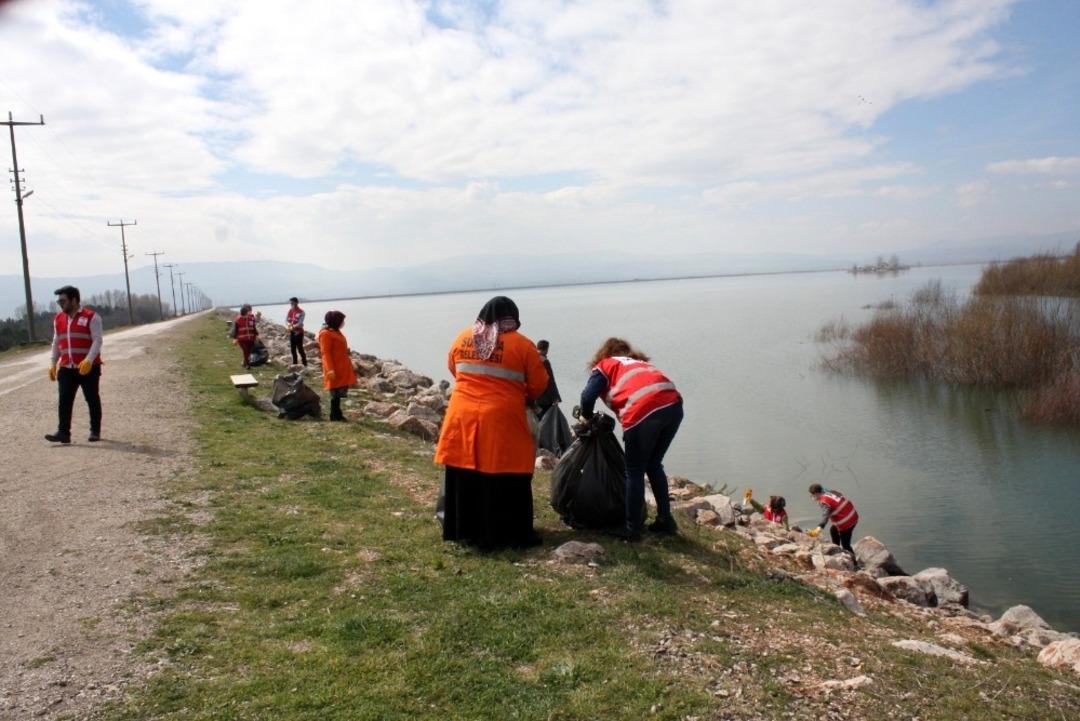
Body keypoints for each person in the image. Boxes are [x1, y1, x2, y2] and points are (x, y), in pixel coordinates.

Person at [434, 296, 549, 549]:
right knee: (505, 474)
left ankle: (464, 530)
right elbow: (539, 384)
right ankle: (506, 534)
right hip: (502, 418)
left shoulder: (463, 337)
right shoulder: (522, 344)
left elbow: (453, 368)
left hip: (461, 414)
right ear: (513, 317)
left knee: (465, 474)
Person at [579, 337, 683, 541]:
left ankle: (632, 528)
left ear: (604, 353)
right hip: (674, 406)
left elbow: (587, 396)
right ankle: (665, 520)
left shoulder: (605, 365)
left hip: (643, 411)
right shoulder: (641, 363)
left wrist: (587, 416)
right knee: (653, 464)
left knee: (634, 471)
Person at [45, 285, 103, 444]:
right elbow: (56, 342)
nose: (60, 304)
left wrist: (89, 360)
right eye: (59, 301)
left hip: (87, 368)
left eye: (63, 301)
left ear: (74, 300)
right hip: (66, 368)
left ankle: (95, 431)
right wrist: (52, 363)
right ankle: (63, 433)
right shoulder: (58, 319)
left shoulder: (92, 317)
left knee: (91, 398)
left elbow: (97, 340)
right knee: (64, 400)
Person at [318, 310, 357, 422]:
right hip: (334, 368)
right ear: (335, 321)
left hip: (341, 366)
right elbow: (325, 353)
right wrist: (330, 369)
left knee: (339, 391)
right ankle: (334, 415)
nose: (343, 323)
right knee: (334, 392)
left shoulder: (335, 331)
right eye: (341, 321)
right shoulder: (326, 334)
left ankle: (337, 414)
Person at [807, 483, 859, 557]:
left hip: (846, 523)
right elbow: (839, 494)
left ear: (817, 493)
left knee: (845, 545)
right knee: (833, 530)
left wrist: (819, 528)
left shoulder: (823, 501)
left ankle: (854, 563)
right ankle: (836, 548)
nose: (812, 497)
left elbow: (825, 515)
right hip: (853, 516)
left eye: (813, 495)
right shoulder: (829, 492)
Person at [534, 339, 561, 417]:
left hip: (533, 397)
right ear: (546, 349)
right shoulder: (545, 361)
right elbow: (550, 381)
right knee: (545, 421)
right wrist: (555, 398)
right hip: (544, 399)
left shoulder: (531, 358)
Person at [231, 304, 259, 368]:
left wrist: (257, 335)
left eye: (250, 311)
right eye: (248, 311)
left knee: (248, 352)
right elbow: (236, 329)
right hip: (242, 339)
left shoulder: (251, 318)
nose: (249, 312)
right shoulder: (238, 319)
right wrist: (235, 339)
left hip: (250, 338)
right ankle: (247, 365)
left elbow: (254, 327)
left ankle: (244, 363)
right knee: (245, 351)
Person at [286, 297, 308, 367]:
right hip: (292, 332)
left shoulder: (302, 312)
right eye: (290, 303)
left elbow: (300, 323)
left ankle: (304, 363)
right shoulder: (290, 311)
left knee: (300, 349)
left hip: (299, 333)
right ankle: (295, 363)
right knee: (293, 349)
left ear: (296, 303)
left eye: (292, 303)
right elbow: (286, 320)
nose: (291, 304)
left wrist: (293, 326)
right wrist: (288, 324)